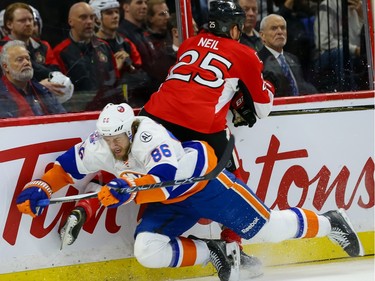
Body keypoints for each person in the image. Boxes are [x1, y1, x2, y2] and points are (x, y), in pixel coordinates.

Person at [16, 102, 364, 281]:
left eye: (117, 139)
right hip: (167, 200)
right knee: (147, 251)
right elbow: (67, 167)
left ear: (130, 129)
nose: (113, 145)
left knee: (269, 229)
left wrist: (127, 187)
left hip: (202, 186)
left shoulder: (150, 135)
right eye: (107, 140)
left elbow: (164, 179)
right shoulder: (103, 144)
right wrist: (42, 185)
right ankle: (217, 251)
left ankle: (330, 221)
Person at [139, 0, 274, 274]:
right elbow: (262, 108)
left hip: (151, 117)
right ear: (232, 27)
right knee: (235, 177)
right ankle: (231, 247)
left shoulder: (190, 43)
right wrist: (264, 86)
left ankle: (87, 206)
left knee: (138, 169)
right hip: (200, 126)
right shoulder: (244, 53)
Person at [53, 2, 121, 112]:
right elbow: (62, 92)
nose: (89, 22)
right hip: (79, 115)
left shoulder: (103, 47)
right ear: (71, 21)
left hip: (107, 111)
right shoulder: (60, 52)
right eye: (83, 18)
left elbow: (115, 81)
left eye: (92, 17)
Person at [0, 3, 68, 100]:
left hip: (47, 99)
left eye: (31, 19)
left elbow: (55, 74)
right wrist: (39, 86)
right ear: (9, 24)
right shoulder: (2, 49)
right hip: (12, 102)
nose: (28, 23)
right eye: (22, 20)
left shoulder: (44, 46)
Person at [0, 40, 66, 118]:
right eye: (20, 60)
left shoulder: (42, 90)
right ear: (5, 66)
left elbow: (62, 117)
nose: (26, 63)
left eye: (28, 59)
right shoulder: (2, 95)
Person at [257, 14, 317, 97]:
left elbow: (302, 87)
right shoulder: (258, 60)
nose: (280, 32)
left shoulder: (293, 59)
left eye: (282, 28)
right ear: (262, 35)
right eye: (274, 28)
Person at [313, 0, 364, 92]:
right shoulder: (328, 5)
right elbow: (323, 41)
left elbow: (362, 36)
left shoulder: (359, 6)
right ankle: (349, 93)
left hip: (354, 54)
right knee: (341, 53)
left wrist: (361, 16)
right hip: (328, 56)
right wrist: (355, 49)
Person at [117, 0, 160, 104]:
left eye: (145, 2)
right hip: (136, 99)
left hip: (151, 96)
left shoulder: (143, 32)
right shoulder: (121, 35)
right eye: (139, 2)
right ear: (126, 7)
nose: (145, 6)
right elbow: (131, 72)